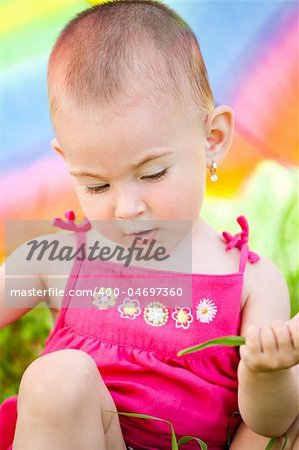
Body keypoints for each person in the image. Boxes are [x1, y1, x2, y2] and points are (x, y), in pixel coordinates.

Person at [0, 1, 298, 449]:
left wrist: (265, 371)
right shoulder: (60, 257)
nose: (126, 208)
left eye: (153, 173)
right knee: (57, 378)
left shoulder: (252, 284)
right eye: (97, 185)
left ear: (212, 139)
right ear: (68, 163)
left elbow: (268, 424)